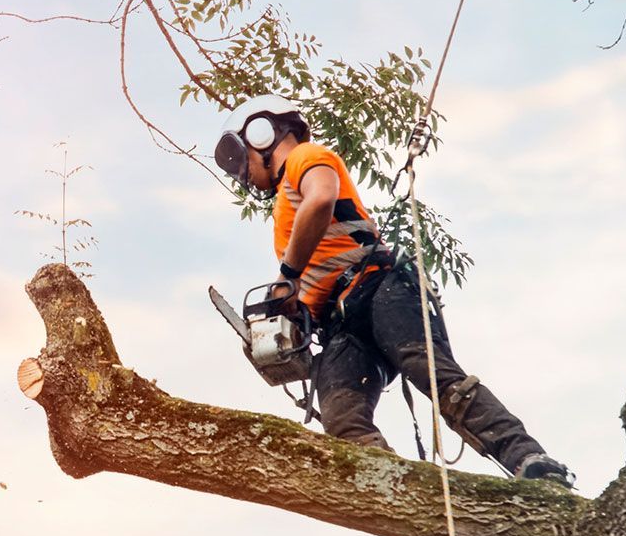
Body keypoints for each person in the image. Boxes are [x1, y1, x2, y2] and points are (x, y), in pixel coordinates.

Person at [213, 94, 575, 496]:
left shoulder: (305, 157)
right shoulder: (283, 212)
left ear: (260, 134)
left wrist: (287, 277)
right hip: (340, 325)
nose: (241, 172)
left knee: (432, 373)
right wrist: (289, 325)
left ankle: (527, 457)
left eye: (238, 157)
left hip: (377, 287)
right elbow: (312, 276)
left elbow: (320, 200)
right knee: (343, 424)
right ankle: (419, 515)